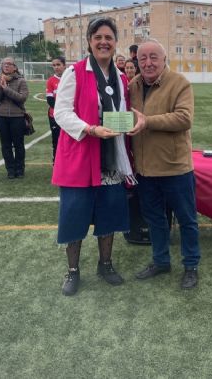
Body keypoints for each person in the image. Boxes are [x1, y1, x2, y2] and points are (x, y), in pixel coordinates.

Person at [52, 17, 134, 296]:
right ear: (89, 41)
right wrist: (89, 129)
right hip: (80, 156)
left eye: (108, 37)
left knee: (109, 213)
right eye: (98, 37)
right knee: (74, 215)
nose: (103, 42)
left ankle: (106, 264)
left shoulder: (121, 78)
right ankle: (73, 271)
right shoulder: (74, 73)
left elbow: (122, 115)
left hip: (109, 158)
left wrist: (132, 122)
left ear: (115, 42)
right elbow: (61, 113)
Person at [128, 39, 200, 290]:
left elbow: (183, 118)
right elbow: (125, 117)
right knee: (155, 220)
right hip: (145, 170)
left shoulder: (180, 83)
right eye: (143, 58)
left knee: (186, 219)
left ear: (164, 59)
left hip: (175, 168)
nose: (147, 63)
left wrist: (147, 121)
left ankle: (191, 265)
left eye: (153, 57)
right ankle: (161, 261)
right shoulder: (133, 86)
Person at [0, 57, 28, 179]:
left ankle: (20, 169)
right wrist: (1, 87)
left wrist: (6, 89)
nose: (6, 66)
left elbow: (22, 98)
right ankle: (10, 170)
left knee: (18, 144)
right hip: (1, 117)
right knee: (5, 145)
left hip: (17, 117)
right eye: (4, 64)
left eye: (9, 64)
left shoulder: (21, 81)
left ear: (15, 67)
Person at [46, 56, 66, 164]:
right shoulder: (51, 81)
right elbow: (50, 100)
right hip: (55, 116)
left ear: (64, 65)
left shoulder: (70, 78)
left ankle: (68, 162)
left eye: (58, 64)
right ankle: (57, 163)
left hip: (69, 116)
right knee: (56, 140)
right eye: (54, 65)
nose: (56, 67)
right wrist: (62, 111)